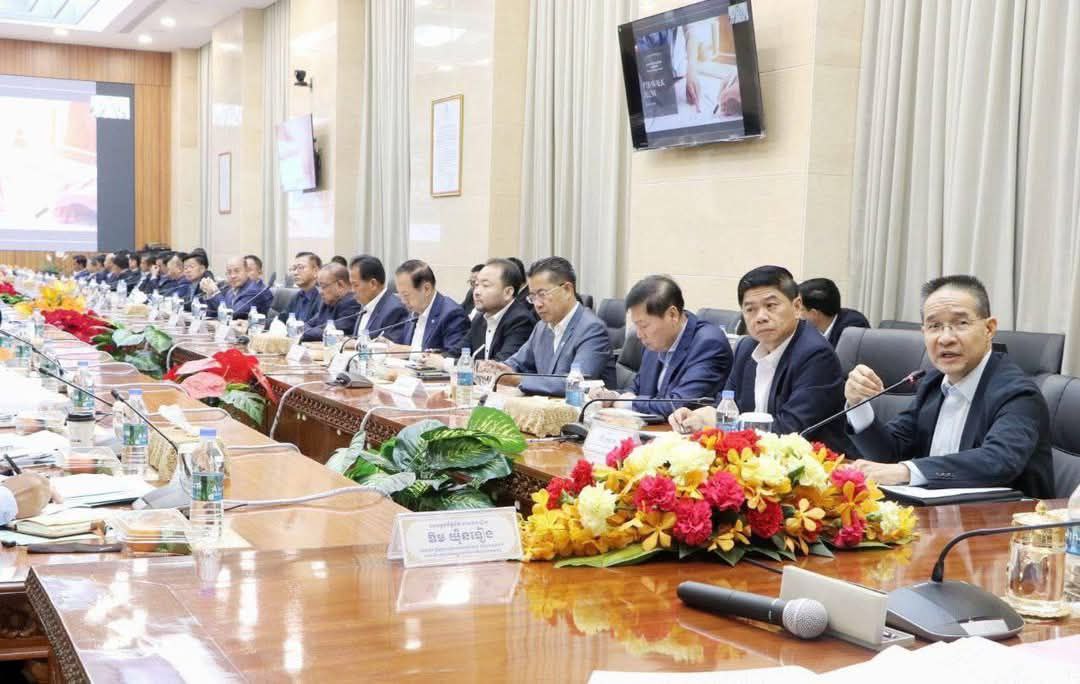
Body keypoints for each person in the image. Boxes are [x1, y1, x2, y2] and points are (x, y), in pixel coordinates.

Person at [843, 275, 1053, 497]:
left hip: (1002, 515)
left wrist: (905, 471)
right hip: (935, 513)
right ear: (924, 333)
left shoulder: (1018, 393)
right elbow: (887, 453)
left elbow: (998, 461)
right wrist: (857, 404)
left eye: (961, 323)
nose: (945, 338)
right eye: (934, 326)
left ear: (989, 329)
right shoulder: (933, 383)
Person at [669, 265, 851, 455]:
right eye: (750, 309)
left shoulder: (815, 355)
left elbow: (789, 431)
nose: (761, 317)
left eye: (771, 306)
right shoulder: (746, 348)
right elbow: (728, 405)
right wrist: (700, 417)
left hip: (810, 464)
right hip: (754, 459)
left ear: (797, 307)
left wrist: (719, 422)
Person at [591, 275, 732, 417]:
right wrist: (612, 396)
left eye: (644, 326)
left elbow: (679, 404)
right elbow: (637, 389)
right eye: (636, 326)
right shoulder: (656, 342)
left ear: (672, 315)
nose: (639, 334)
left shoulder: (708, 344)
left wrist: (630, 403)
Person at [478, 257, 613, 396]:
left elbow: (577, 384)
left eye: (542, 294)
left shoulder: (592, 329)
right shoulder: (542, 327)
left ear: (567, 290)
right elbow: (517, 363)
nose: (537, 304)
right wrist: (499, 368)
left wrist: (517, 380)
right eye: (532, 297)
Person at [421, 258, 534, 370]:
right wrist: (433, 358)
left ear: (508, 292)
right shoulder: (480, 318)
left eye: (485, 285)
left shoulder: (521, 320)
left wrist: (445, 363)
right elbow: (457, 352)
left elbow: (500, 367)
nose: (476, 292)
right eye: (476, 285)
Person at [382, 260, 469, 357]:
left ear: (426, 289)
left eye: (406, 295)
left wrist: (412, 352)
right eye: (400, 295)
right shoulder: (413, 311)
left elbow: (452, 357)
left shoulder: (452, 314)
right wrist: (389, 345)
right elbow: (403, 346)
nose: (403, 301)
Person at [347, 255, 410, 342]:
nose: (352, 290)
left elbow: (389, 346)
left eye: (355, 285)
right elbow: (357, 338)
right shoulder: (365, 304)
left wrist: (355, 344)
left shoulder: (395, 310)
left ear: (373, 284)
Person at [799, 277, 870, 348]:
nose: (796, 314)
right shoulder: (809, 329)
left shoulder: (853, 328)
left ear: (814, 314)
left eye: (800, 309)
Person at [299, 264, 363, 341]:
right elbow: (307, 325)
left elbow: (332, 334)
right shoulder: (327, 302)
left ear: (340, 285)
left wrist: (301, 331)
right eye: (319, 286)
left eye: (323, 286)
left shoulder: (352, 302)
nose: (320, 292)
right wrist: (304, 330)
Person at [198, 256, 272, 319]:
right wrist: (209, 293)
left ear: (246, 271)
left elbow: (233, 314)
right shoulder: (231, 290)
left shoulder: (254, 290)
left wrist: (214, 292)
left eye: (237, 271)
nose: (232, 276)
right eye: (229, 272)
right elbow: (211, 314)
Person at [279, 252, 321, 323]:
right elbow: (281, 319)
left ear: (316, 271)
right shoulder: (297, 296)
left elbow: (315, 326)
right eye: (294, 268)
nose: (295, 273)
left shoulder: (323, 298)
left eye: (301, 268)